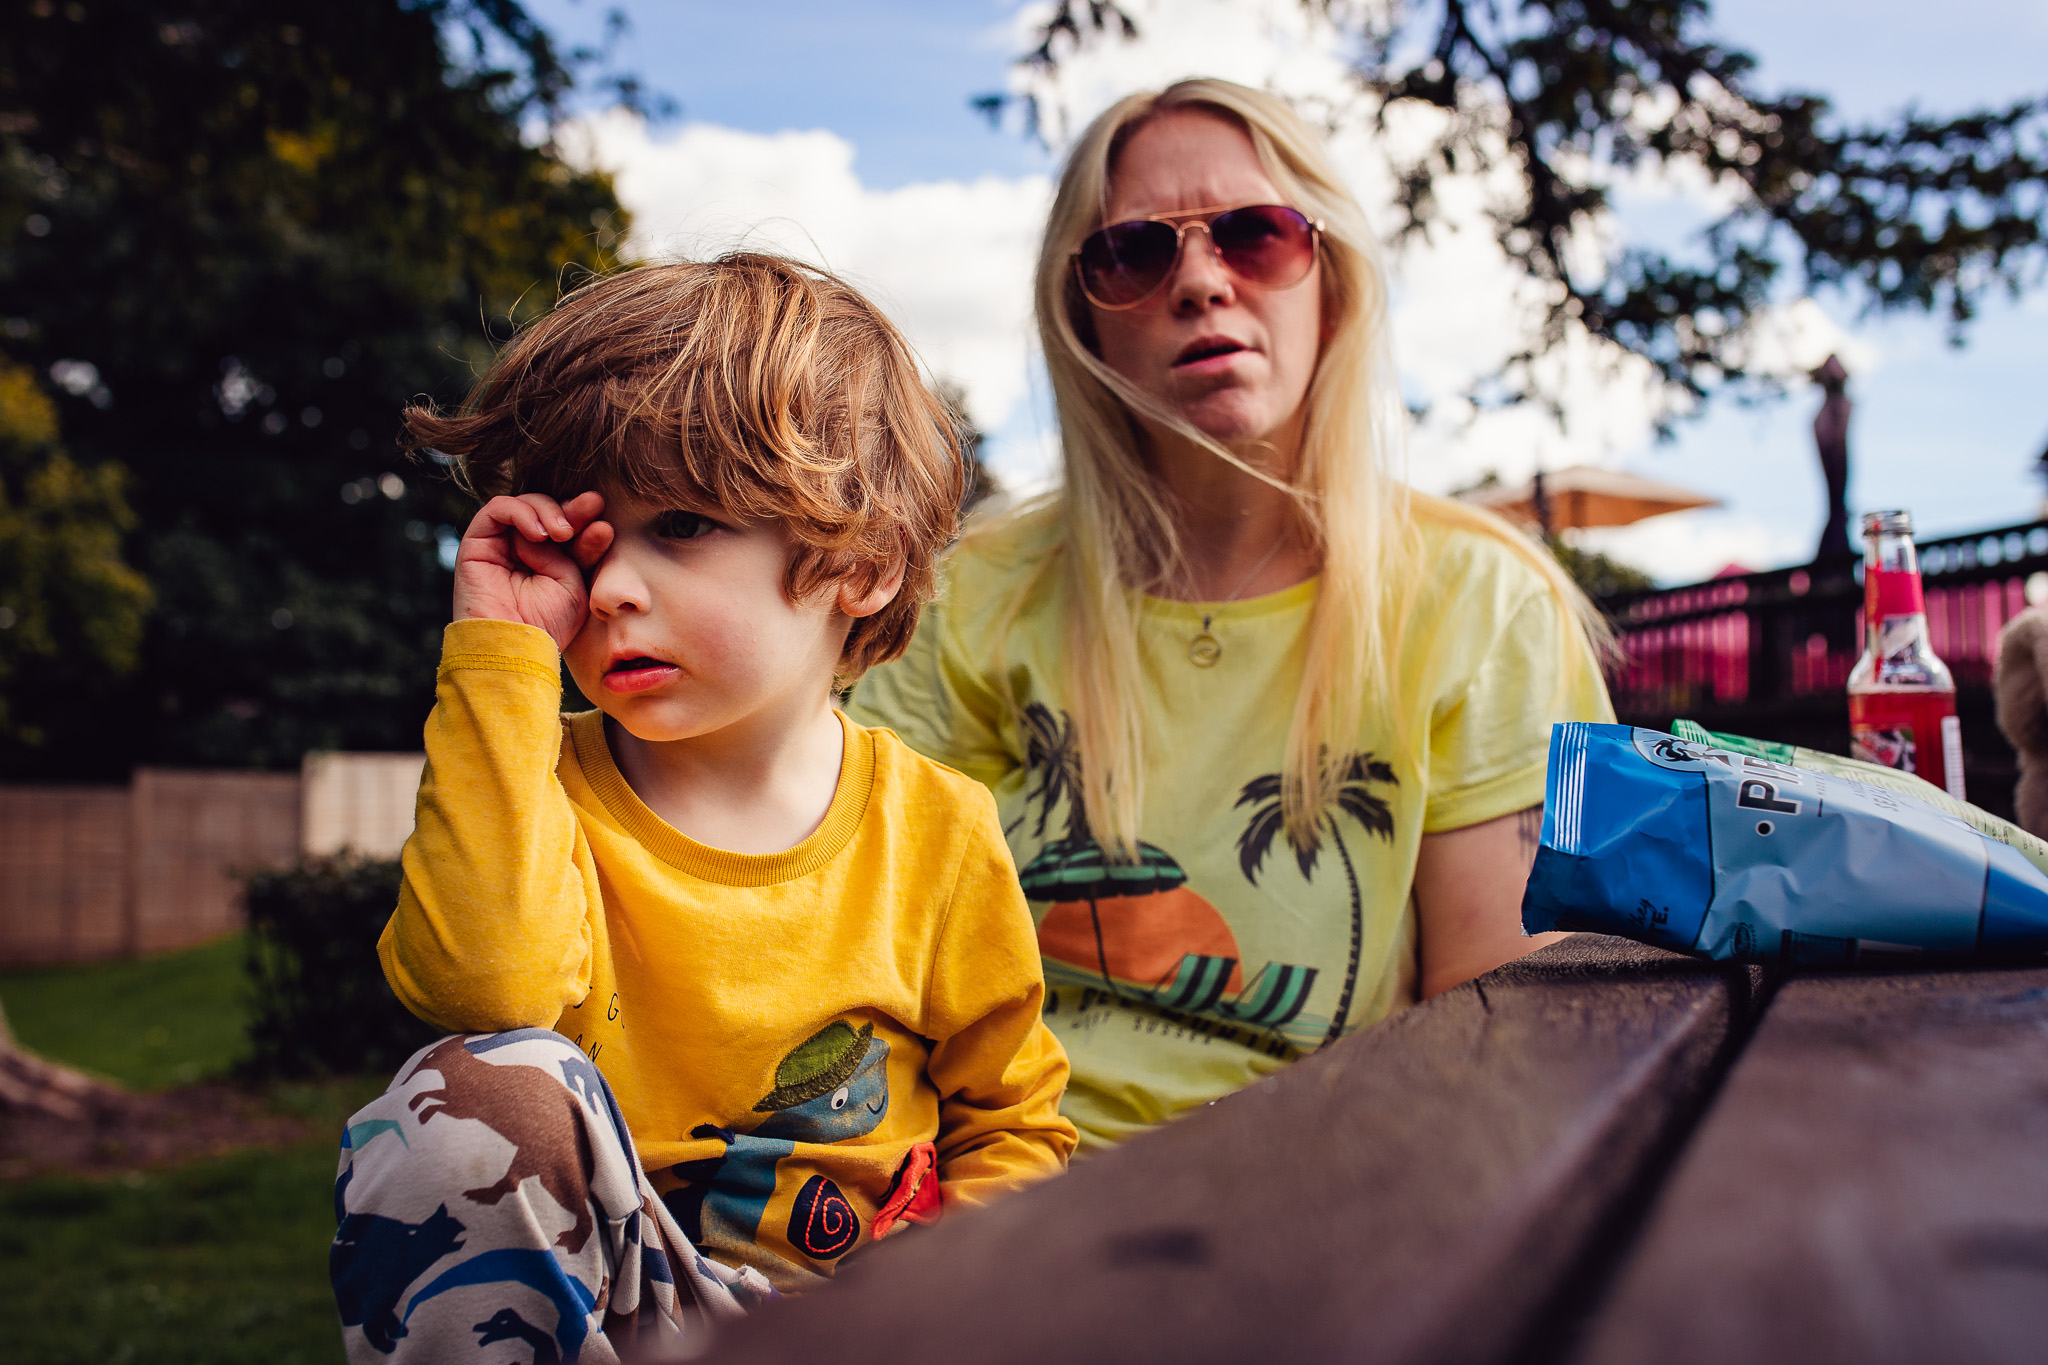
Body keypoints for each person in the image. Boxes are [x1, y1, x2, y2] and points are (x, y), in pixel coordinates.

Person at [331, 255, 1076, 1364]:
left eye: (678, 526)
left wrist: (938, 1304)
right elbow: (484, 990)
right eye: (587, 539)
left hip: (870, 1319)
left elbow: (1012, 1126)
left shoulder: (936, 830)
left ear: (859, 562)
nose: (615, 588)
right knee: (466, 1099)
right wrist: (499, 654)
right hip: (621, 1311)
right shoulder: (539, 790)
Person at [846, 79, 1615, 1151]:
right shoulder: (975, 593)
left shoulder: (1478, 601)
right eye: (1132, 253)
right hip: (975, 1181)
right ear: (1083, 322)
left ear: (1329, 284)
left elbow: (1494, 1032)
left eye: (1255, 236)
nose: (1201, 281)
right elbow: (853, 936)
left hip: (1317, 1184)